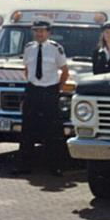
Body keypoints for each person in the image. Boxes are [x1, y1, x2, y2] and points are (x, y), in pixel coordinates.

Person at [14, 19, 69, 176]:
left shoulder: (56, 49)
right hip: (33, 91)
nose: (39, 34)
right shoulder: (29, 48)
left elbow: (65, 71)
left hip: (49, 91)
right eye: (36, 31)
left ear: (48, 32)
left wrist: (56, 90)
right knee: (27, 129)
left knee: (53, 131)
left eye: (42, 31)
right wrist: (32, 84)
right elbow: (27, 69)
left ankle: (55, 167)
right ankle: (24, 166)